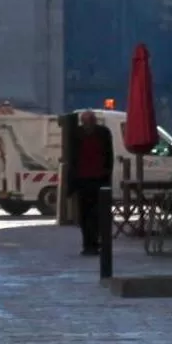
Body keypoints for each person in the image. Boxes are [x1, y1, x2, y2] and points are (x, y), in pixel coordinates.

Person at [70, 109, 115, 256]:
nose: (88, 124)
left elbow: (109, 156)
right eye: (86, 121)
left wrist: (107, 175)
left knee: (96, 214)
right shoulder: (77, 134)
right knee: (87, 215)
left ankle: (94, 243)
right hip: (86, 180)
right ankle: (89, 243)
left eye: (90, 121)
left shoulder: (103, 133)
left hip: (97, 179)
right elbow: (72, 159)